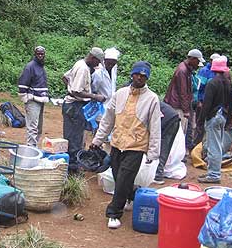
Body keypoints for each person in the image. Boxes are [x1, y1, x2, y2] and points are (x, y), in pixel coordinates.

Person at [90, 61, 161, 229]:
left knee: (123, 179)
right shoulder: (120, 94)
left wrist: (153, 152)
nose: (140, 78)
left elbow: (155, 127)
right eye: (138, 74)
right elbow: (108, 119)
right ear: (132, 75)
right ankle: (133, 195)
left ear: (147, 78)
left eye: (144, 76)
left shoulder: (152, 99)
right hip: (117, 143)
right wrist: (97, 140)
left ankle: (114, 213)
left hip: (136, 146)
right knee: (118, 177)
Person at [62, 47, 106, 174]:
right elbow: (77, 91)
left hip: (72, 105)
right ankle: (73, 171)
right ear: (93, 58)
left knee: (73, 137)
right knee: (75, 140)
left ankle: (71, 168)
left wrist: (69, 88)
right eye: (97, 62)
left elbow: (65, 77)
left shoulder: (79, 63)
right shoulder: (83, 69)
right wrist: (95, 96)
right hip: (75, 107)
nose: (97, 65)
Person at [197, 56, 232, 184]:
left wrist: (200, 121)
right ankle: (212, 172)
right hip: (223, 116)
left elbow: (207, 104)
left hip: (213, 116)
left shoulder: (212, 83)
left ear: (213, 69)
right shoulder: (228, 84)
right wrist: (228, 120)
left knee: (213, 147)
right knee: (217, 146)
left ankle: (213, 174)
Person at [164, 49, 205, 159]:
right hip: (177, 105)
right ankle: (173, 157)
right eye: (197, 62)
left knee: (183, 131)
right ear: (192, 59)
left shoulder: (187, 69)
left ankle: (177, 155)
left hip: (180, 104)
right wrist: (186, 110)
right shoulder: (182, 71)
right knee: (179, 132)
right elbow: (182, 92)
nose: (198, 65)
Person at [18, 46, 49, 147]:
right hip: (32, 101)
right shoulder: (30, 66)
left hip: (41, 100)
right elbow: (23, 83)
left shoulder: (41, 67)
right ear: (35, 54)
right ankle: (30, 149)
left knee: (39, 128)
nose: (40, 56)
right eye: (38, 54)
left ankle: (33, 147)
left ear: (44, 55)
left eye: (42, 54)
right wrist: (25, 98)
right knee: (32, 127)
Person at [153, 102, 180, 184]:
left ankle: (158, 175)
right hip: (173, 119)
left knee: (163, 148)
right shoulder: (148, 98)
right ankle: (158, 173)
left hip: (169, 121)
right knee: (165, 148)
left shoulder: (144, 101)